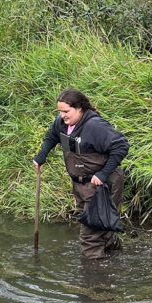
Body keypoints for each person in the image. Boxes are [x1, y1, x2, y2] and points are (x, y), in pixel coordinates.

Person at [33, 88, 129, 260]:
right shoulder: (62, 123)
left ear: (80, 108)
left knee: (90, 235)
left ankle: (93, 278)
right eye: (60, 111)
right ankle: (115, 258)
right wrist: (41, 156)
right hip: (80, 184)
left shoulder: (95, 126)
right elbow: (52, 136)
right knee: (101, 226)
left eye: (66, 111)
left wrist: (103, 174)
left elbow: (121, 146)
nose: (62, 115)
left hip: (102, 186)